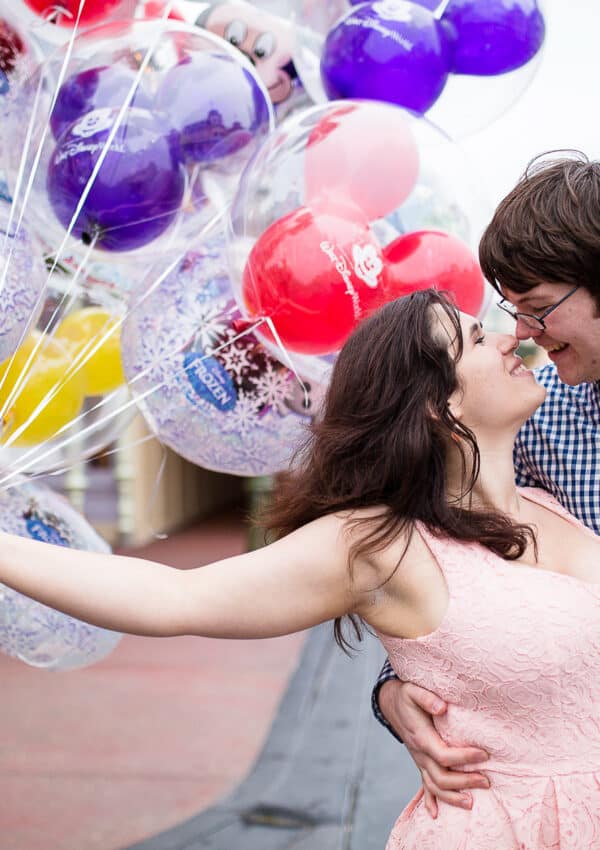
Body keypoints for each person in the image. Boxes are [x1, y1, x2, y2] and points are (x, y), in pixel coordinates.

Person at [3, 286, 600, 848]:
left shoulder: (552, 500)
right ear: (434, 405)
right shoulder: (380, 543)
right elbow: (173, 597)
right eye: (475, 339)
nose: (507, 338)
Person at [372, 152, 600, 819]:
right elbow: (472, 575)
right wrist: (395, 690)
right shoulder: (535, 416)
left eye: (537, 308)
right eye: (511, 310)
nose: (523, 335)